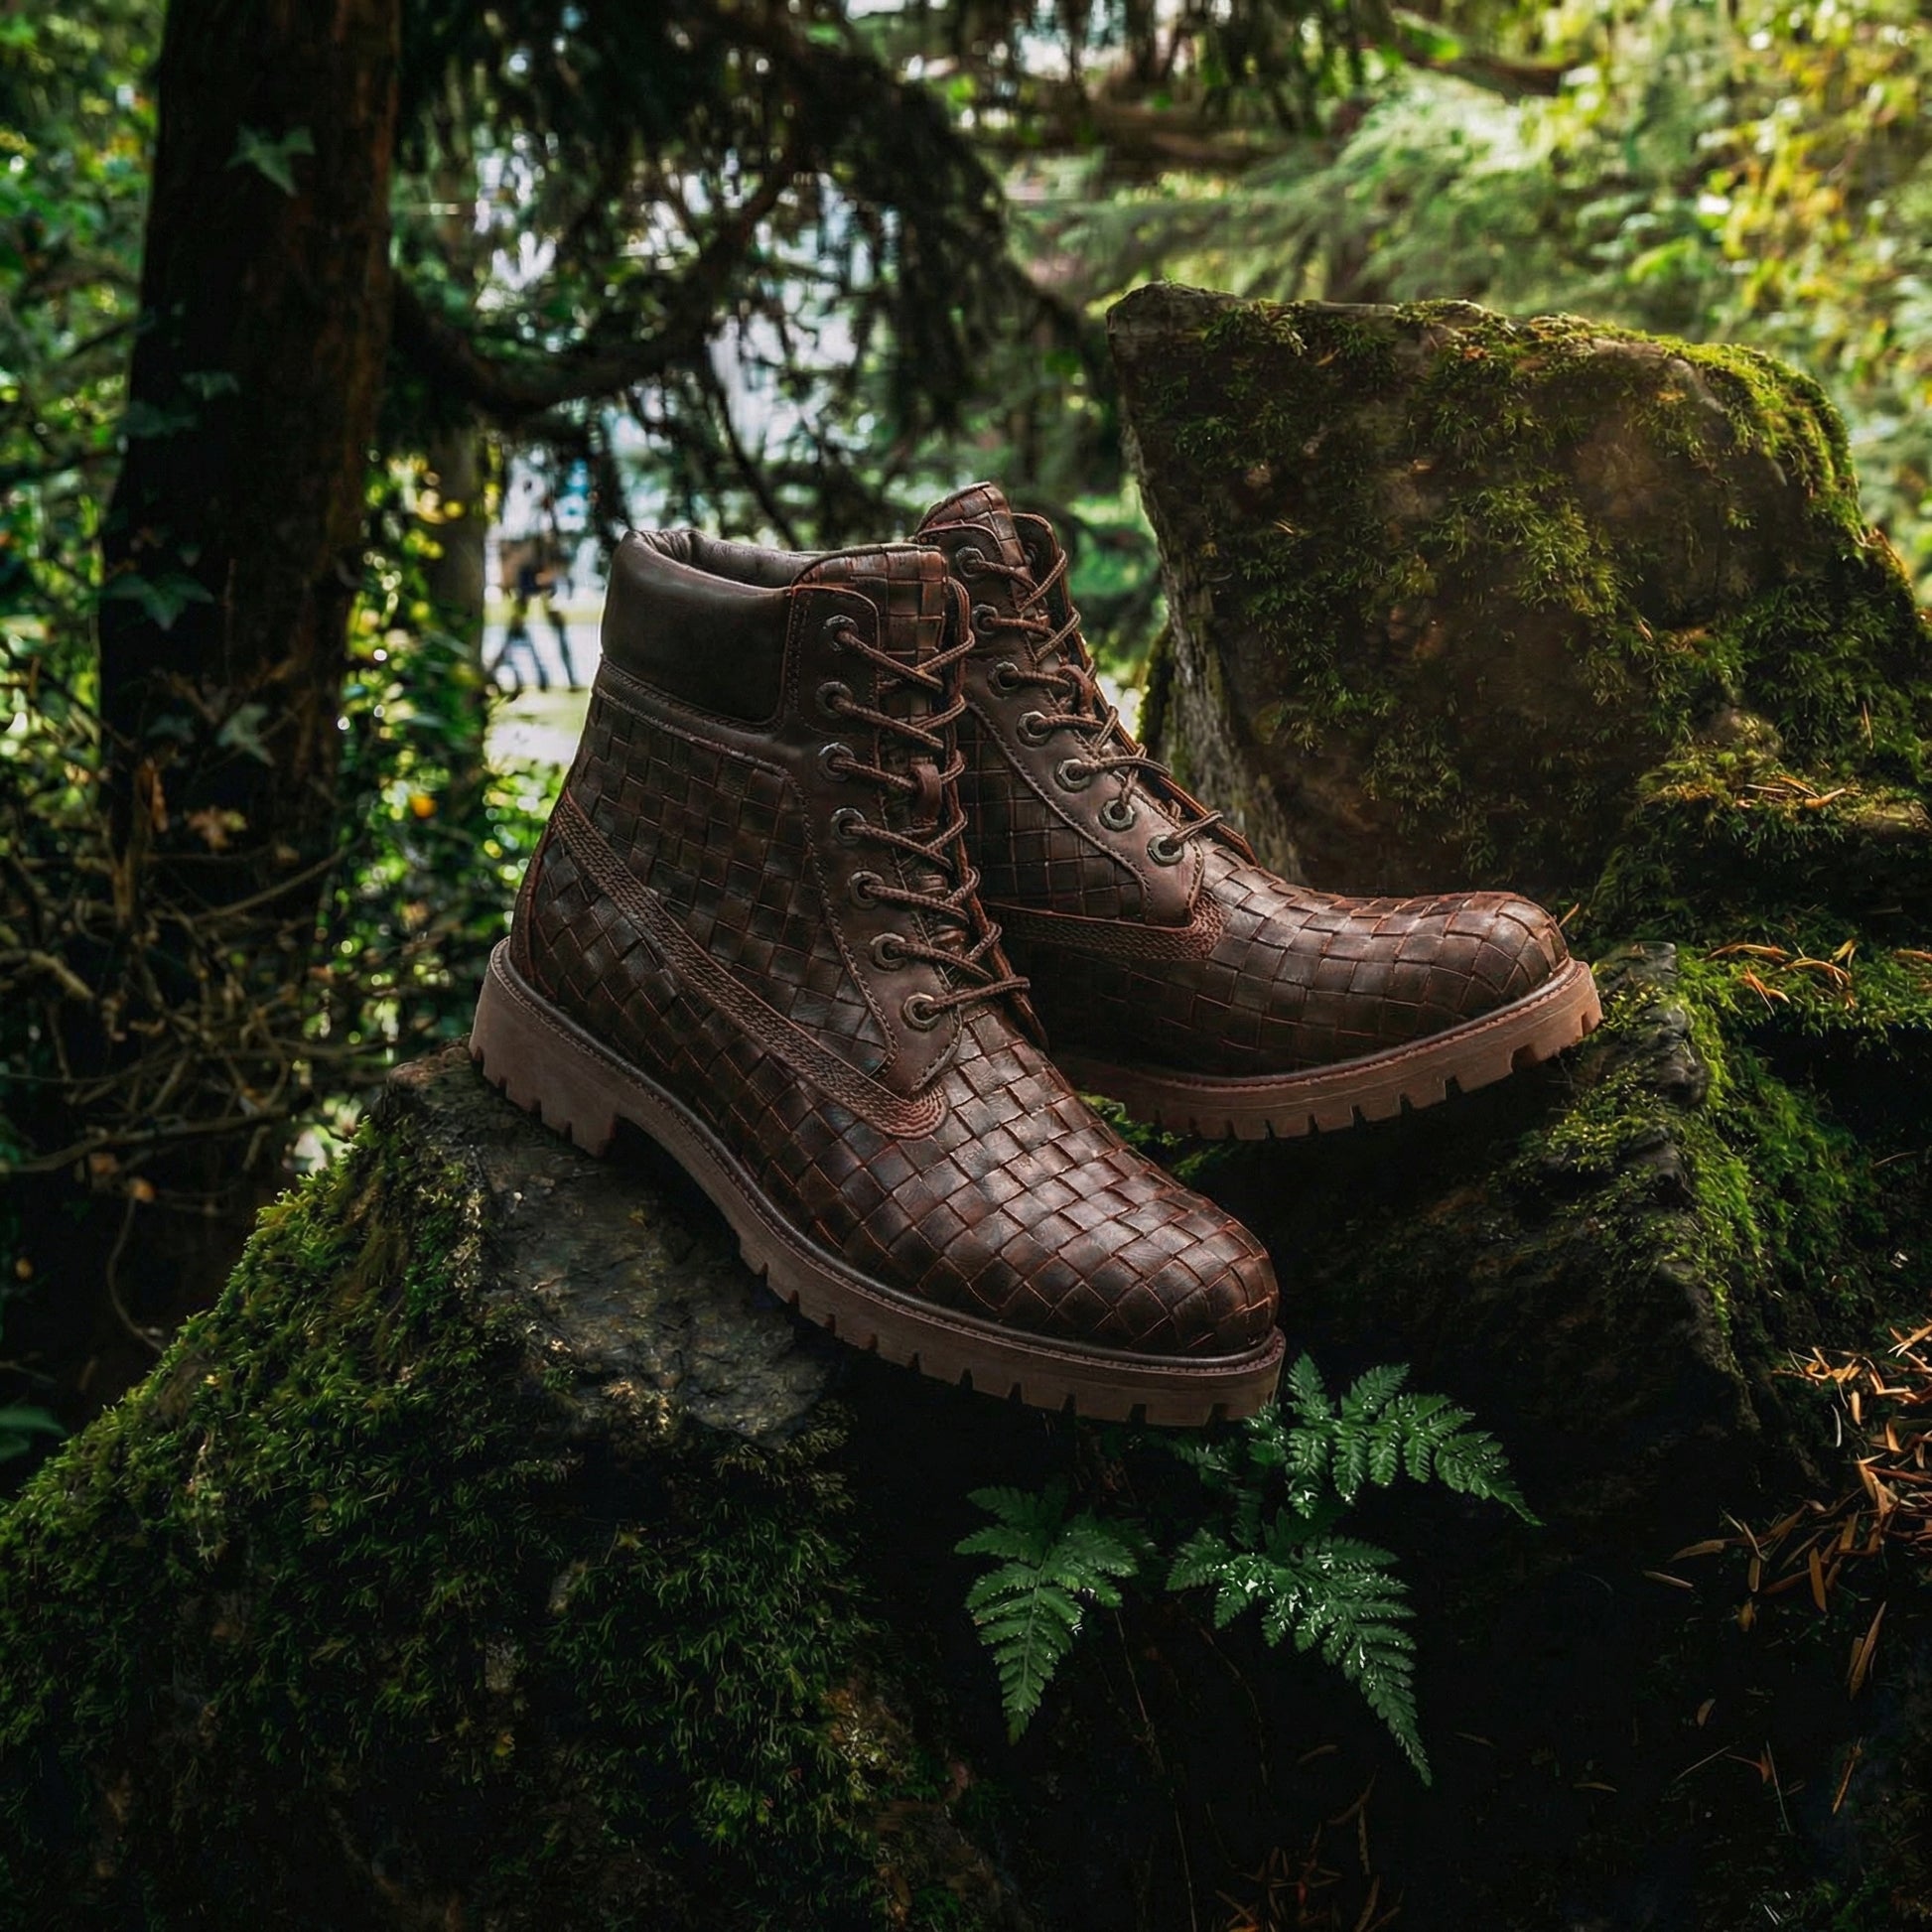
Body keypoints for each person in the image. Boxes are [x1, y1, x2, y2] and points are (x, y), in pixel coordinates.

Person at [489, 531, 578, 692]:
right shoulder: (532, 553)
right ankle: (545, 678)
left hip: (534, 587)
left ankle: (559, 679)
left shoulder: (540, 551)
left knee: (518, 633)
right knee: (516, 633)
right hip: (528, 587)